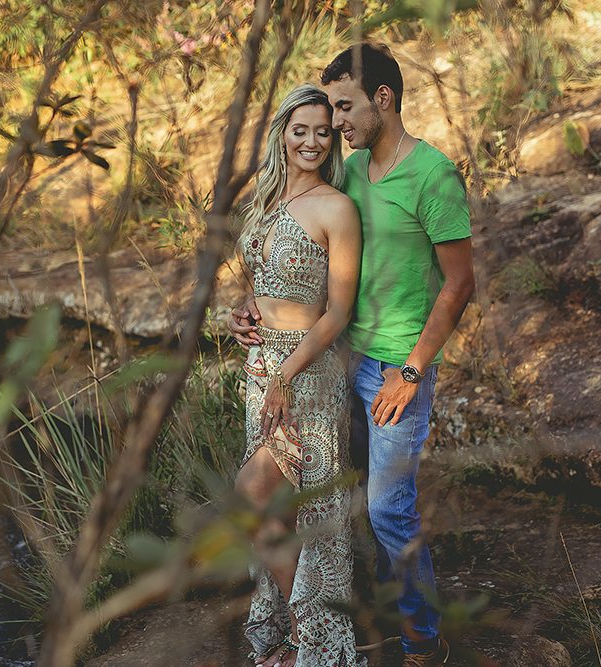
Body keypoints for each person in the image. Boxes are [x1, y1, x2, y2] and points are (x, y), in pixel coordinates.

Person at [230, 44, 475, 667]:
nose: (335, 122)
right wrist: (257, 307)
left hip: (395, 368)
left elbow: (459, 285)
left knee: (387, 508)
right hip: (340, 360)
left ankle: (422, 643)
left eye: (343, 107)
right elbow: (306, 258)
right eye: (329, 111)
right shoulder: (354, 170)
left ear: (381, 99)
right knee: (338, 504)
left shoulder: (434, 176)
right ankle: (342, 626)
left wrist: (412, 372)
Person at [232, 83, 363, 667]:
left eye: (323, 131)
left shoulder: (337, 208)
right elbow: (263, 285)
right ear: (282, 133)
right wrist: (242, 314)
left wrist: (286, 372)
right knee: (274, 507)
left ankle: (317, 640)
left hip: (306, 371)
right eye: (300, 129)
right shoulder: (264, 199)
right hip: (260, 366)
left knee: (259, 493)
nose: (311, 141)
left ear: (333, 138)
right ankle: (296, 635)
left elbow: (338, 312)